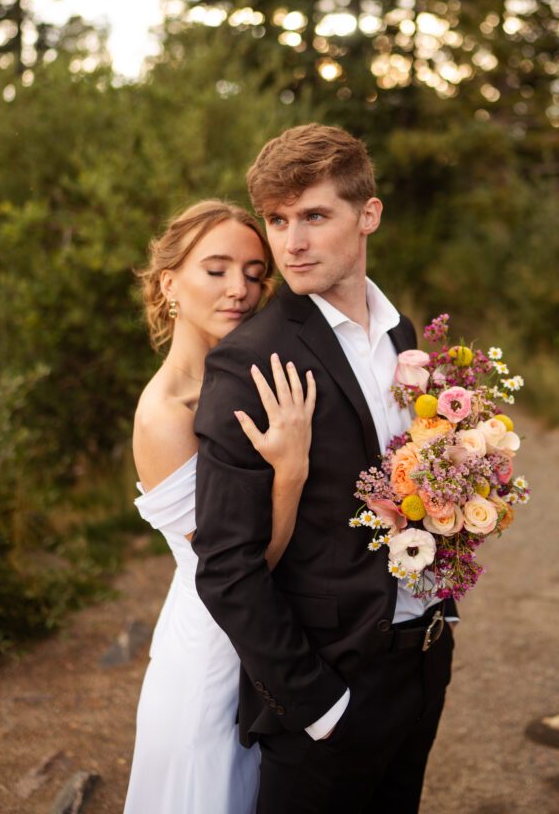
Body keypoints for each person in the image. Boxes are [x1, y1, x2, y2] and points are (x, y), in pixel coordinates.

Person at [192, 125, 458, 814]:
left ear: (367, 214)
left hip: (422, 655)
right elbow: (225, 564)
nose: (291, 243)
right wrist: (317, 706)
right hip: (329, 685)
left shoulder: (403, 334)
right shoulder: (249, 360)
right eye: (278, 220)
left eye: (313, 215)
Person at [124, 200, 316, 814]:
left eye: (256, 272)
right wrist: (290, 471)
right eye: (217, 269)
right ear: (169, 283)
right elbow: (237, 565)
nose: (241, 289)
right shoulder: (164, 416)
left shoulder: (241, 378)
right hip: (213, 652)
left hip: (269, 636)